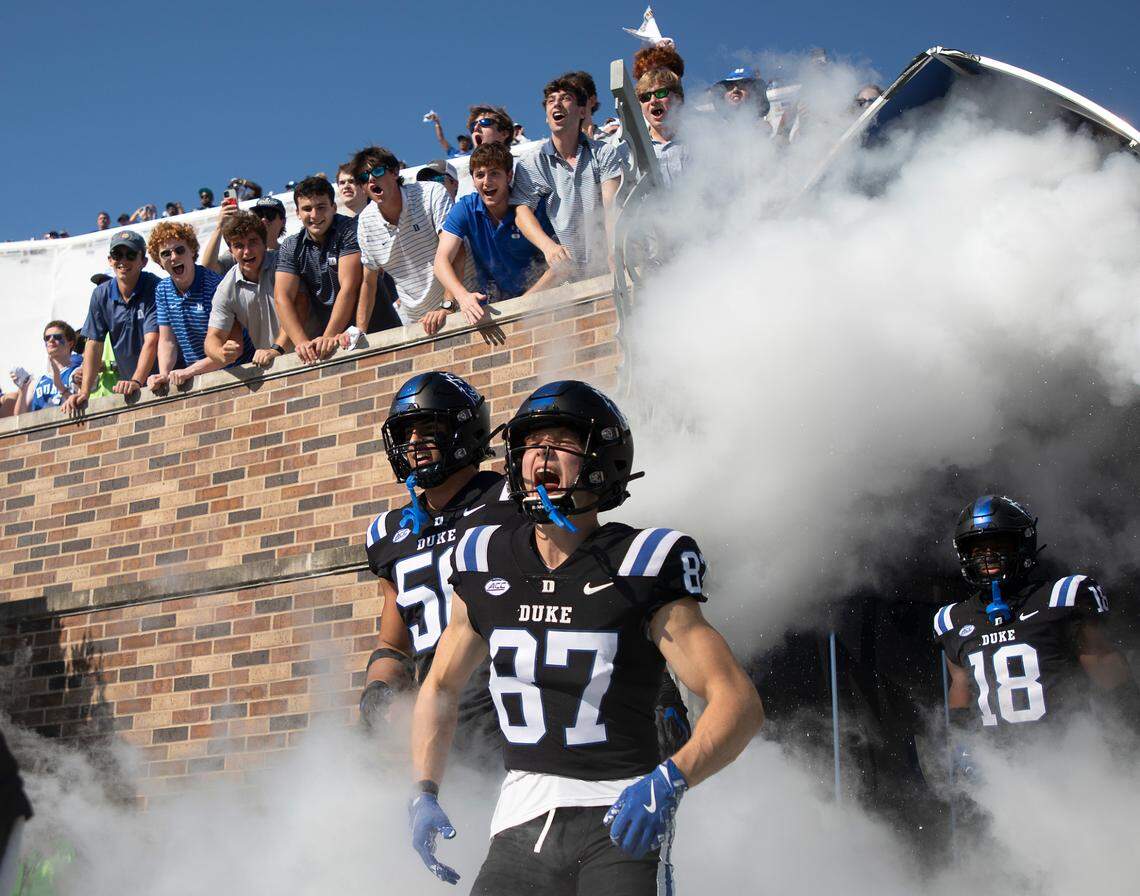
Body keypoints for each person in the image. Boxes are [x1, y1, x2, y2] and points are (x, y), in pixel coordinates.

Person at [409, 380, 765, 892]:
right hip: (522, 813)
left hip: (620, 807)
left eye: (564, 443)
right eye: (532, 443)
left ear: (603, 460)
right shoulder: (483, 557)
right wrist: (424, 788)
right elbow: (441, 686)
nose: (542, 456)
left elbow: (738, 700)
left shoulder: (642, 561)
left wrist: (672, 778)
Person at [360, 372, 517, 755]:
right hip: (439, 718)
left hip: (510, 705)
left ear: (464, 429)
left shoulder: (512, 500)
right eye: (406, 434)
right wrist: (378, 693)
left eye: (427, 428)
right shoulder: (389, 532)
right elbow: (394, 644)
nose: (414, 444)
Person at [935, 495, 1139, 747]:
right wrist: (961, 748)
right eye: (978, 549)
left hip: (1066, 750)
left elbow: (1104, 664)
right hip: (998, 763)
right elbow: (962, 686)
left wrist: (1129, 734)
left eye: (998, 544)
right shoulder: (952, 619)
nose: (988, 557)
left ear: (1022, 543)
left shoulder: (1061, 597)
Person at [510, 77, 625, 282]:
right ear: (546, 116)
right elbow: (521, 211)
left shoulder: (603, 152)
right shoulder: (531, 163)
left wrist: (615, 249)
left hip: (608, 268)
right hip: (568, 277)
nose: (556, 103)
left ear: (582, 111)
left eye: (565, 98)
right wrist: (548, 247)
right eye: (551, 100)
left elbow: (612, 205)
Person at [435, 142, 557, 308]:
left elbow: (561, 263)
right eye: (480, 175)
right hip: (497, 306)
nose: (486, 182)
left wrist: (525, 303)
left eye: (494, 174)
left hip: (543, 302)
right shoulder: (465, 209)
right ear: (472, 180)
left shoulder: (534, 207)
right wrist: (462, 296)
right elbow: (441, 261)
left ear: (509, 176)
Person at [350, 146, 455, 335]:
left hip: (460, 306)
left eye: (377, 171)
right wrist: (360, 331)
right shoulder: (365, 222)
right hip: (419, 322)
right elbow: (369, 282)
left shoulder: (431, 193)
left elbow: (456, 252)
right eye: (364, 177)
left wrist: (448, 306)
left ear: (395, 171)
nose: (371, 178)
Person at [62, 230, 160, 417]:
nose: (123, 260)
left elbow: (152, 340)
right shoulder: (101, 294)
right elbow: (93, 344)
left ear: (143, 261)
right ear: (110, 260)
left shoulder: (154, 287)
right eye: (117, 255)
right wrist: (84, 392)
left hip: (162, 379)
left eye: (130, 255)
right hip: (131, 387)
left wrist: (137, 381)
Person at [147, 221, 252, 391]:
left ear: (192, 251)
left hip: (242, 372)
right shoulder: (162, 290)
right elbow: (167, 341)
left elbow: (233, 349)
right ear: (159, 261)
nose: (173, 257)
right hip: (200, 376)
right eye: (165, 253)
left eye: (179, 250)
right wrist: (164, 375)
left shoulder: (215, 286)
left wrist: (190, 371)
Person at [274, 176, 364, 364]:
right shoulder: (291, 245)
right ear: (297, 213)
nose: (314, 215)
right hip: (328, 342)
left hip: (370, 330)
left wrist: (329, 336)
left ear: (334, 207)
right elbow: (282, 297)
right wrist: (301, 344)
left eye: (321, 207)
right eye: (307, 209)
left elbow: (349, 288)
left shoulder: (350, 229)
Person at [204, 211, 291, 370]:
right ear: (230, 251)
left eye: (252, 242)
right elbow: (213, 338)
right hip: (271, 364)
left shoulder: (283, 263)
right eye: (238, 245)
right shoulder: (226, 289)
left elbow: (301, 306)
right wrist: (221, 352)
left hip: (311, 351)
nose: (247, 251)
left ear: (264, 243)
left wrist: (276, 348)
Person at [14, 321, 83, 414]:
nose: (51, 340)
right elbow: (19, 418)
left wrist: (59, 385)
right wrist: (23, 389)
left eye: (57, 337)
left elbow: (81, 406)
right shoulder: (37, 382)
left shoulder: (77, 372)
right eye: (47, 338)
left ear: (70, 343)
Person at [636, 68, 689, 187]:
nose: (653, 101)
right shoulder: (631, 150)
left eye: (660, 93)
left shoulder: (699, 142)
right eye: (645, 97)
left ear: (678, 99)